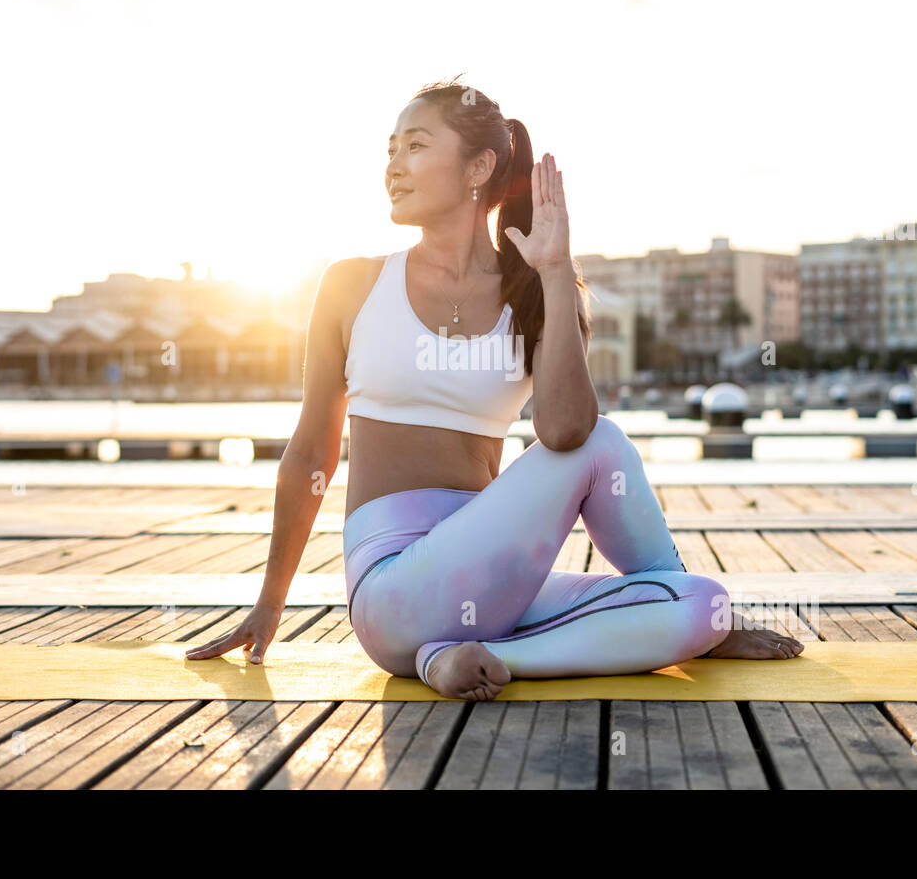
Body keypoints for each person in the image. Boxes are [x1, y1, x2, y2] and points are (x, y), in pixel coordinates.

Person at [186, 79, 803, 700]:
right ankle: (451, 650)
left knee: (706, 605)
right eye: (391, 149)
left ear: (479, 166)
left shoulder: (534, 292)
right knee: (605, 447)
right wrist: (269, 604)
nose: (393, 167)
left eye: (416, 147)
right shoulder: (351, 285)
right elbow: (310, 454)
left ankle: (474, 657)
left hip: (496, 585)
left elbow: (564, 431)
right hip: (393, 589)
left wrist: (557, 273)